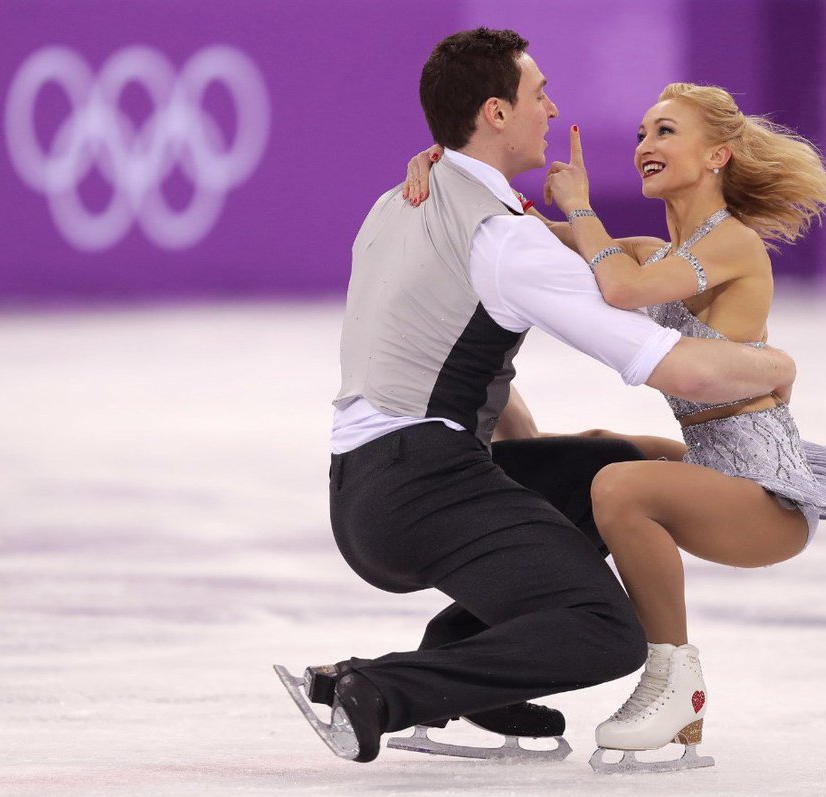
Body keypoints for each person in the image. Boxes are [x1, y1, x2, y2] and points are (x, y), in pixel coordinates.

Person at [408, 83, 826, 773]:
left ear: (718, 155)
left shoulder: (732, 244)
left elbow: (618, 288)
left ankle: (673, 681)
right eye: (644, 133)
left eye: (667, 132)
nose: (646, 146)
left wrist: (581, 203)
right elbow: (520, 238)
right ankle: (506, 641)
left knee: (620, 487)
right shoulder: (656, 250)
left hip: (763, 494)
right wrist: (453, 171)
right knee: (595, 456)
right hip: (713, 466)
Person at [273, 29, 799, 767]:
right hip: (418, 485)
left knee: (604, 467)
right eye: (538, 93)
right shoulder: (504, 241)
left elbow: (468, 362)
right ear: (494, 112)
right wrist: (775, 365)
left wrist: (532, 494)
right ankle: (379, 690)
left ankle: (475, 675)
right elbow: (675, 368)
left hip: (372, 482)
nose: (552, 108)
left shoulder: (401, 200)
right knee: (604, 629)